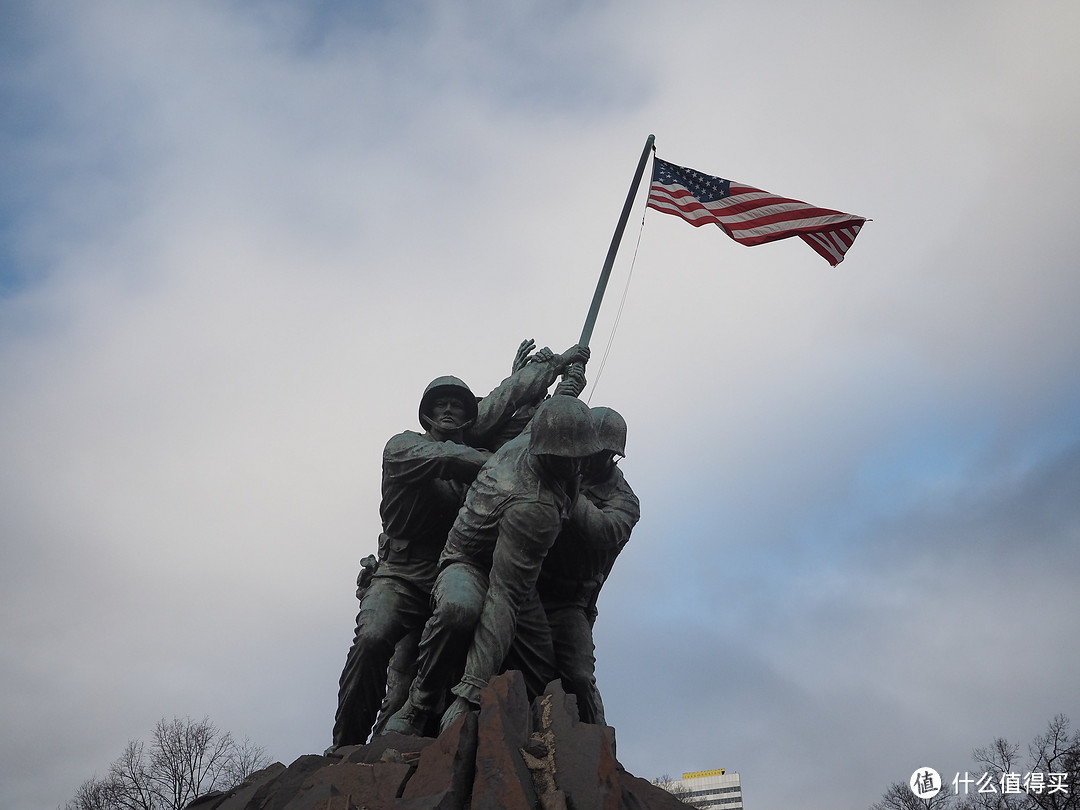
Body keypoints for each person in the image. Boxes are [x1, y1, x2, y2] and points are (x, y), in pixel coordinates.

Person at [331, 344, 590, 748]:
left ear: (469, 415)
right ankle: (346, 745)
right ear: (427, 414)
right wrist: (504, 461)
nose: (448, 411)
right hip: (401, 574)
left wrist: (560, 378)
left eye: (457, 405)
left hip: (453, 569)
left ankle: (425, 712)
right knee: (372, 638)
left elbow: (513, 406)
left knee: (460, 612)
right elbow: (449, 457)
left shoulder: (481, 450)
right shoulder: (403, 448)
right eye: (440, 405)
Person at [384, 394, 601, 737]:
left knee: (543, 670)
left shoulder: (539, 441)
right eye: (570, 458)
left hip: (517, 574)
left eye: (580, 456)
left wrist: (564, 383)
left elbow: (546, 413)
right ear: (549, 452)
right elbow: (503, 597)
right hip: (469, 562)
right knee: (459, 609)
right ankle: (419, 704)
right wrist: (470, 693)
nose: (578, 465)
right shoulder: (534, 506)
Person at [537, 406, 639, 725]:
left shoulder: (624, 500)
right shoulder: (557, 463)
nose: (595, 458)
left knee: (579, 676)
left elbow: (605, 531)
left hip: (570, 601)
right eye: (591, 448)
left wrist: (567, 486)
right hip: (529, 587)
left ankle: (595, 745)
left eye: (606, 453)